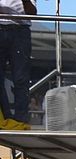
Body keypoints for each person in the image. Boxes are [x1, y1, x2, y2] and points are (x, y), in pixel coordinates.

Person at [0, 0, 35, 131]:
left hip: (20, 31)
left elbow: (32, 12)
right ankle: (6, 117)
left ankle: (21, 120)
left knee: (21, 78)